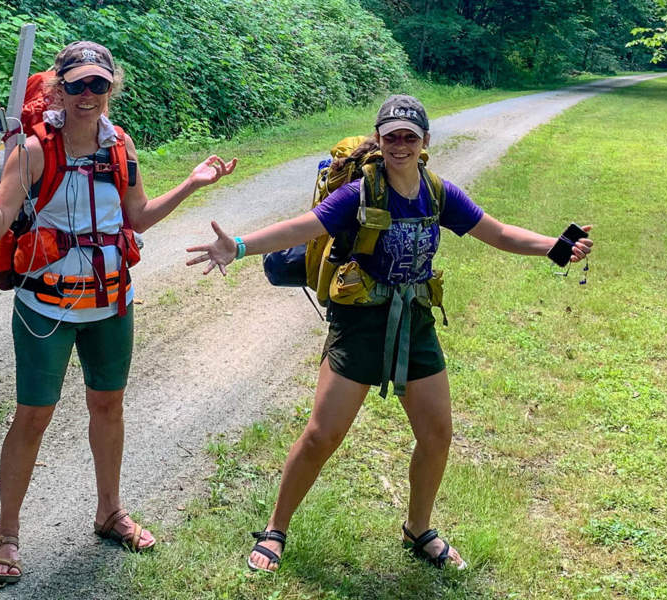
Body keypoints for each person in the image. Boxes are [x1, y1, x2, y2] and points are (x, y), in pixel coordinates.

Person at [185, 95, 592, 572]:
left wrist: (556, 247)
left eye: (409, 136)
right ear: (378, 139)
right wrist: (238, 245)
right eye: (391, 135)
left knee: (438, 434)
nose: (400, 144)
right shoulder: (359, 193)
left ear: (424, 143)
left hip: (415, 321)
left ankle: (418, 530)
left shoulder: (438, 193)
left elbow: (497, 233)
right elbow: (302, 228)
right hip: (360, 322)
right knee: (322, 435)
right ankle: (275, 529)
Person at [0, 41, 237, 584]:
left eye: (98, 85)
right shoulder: (36, 149)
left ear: (111, 87)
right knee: (34, 416)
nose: (88, 95)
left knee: (109, 407)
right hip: (45, 303)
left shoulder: (121, 146)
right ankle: (6, 534)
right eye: (76, 85)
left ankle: (109, 512)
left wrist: (191, 183)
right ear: (57, 89)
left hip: (111, 300)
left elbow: (136, 218)